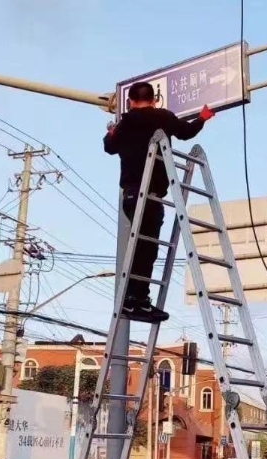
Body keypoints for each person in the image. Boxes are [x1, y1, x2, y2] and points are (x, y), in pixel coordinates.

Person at [103, 81, 214, 322]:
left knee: (140, 247)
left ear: (130, 101)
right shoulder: (161, 117)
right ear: (154, 99)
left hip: (131, 195)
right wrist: (203, 117)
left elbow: (109, 147)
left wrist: (111, 132)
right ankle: (137, 301)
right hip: (151, 194)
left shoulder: (125, 123)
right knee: (147, 248)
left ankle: (135, 299)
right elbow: (186, 132)